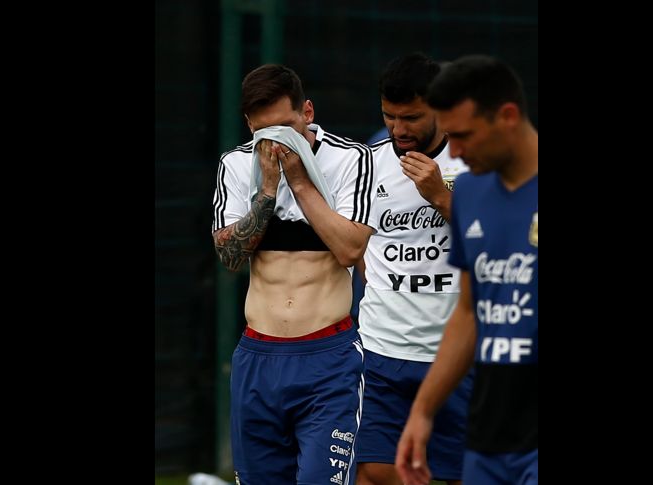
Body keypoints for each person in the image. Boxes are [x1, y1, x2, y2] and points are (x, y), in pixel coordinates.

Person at [211, 64, 377, 485]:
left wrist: (299, 182)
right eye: (266, 133)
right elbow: (230, 259)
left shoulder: (349, 159)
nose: (278, 143)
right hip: (258, 356)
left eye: (288, 127)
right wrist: (266, 192)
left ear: (307, 111)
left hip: (328, 358)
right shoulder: (234, 165)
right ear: (249, 125)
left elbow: (349, 249)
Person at [395, 54, 538, 485]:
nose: (453, 151)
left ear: (507, 116)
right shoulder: (471, 193)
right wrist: (422, 412)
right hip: (488, 437)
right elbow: (468, 313)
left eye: (463, 136)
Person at [355, 52, 471, 485]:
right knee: (375, 471)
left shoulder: (477, 161)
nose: (399, 130)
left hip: (458, 352)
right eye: (389, 116)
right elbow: (356, 242)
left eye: (411, 118)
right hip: (383, 352)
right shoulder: (369, 162)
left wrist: (441, 197)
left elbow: (507, 239)